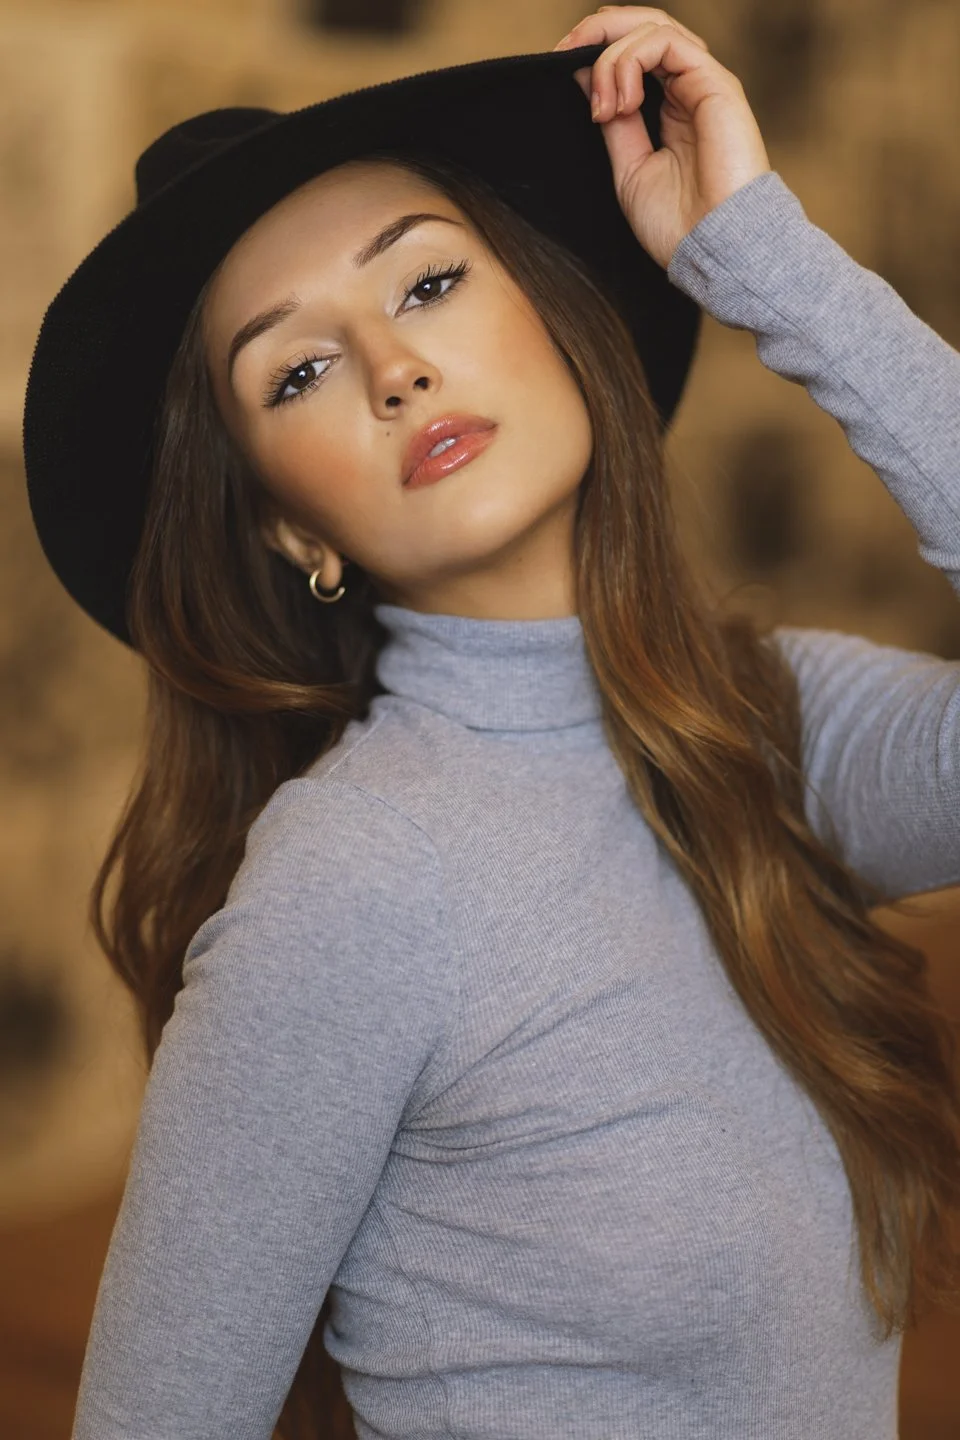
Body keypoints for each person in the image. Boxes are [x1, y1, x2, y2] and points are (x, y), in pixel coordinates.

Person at [20, 8, 960, 1440]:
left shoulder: (766, 726)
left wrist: (769, 260)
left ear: (555, 306)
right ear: (288, 525)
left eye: (430, 282)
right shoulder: (353, 886)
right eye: (299, 372)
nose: (392, 368)